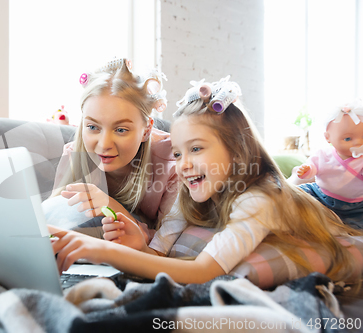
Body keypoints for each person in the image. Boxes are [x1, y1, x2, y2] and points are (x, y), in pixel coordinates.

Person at [48, 77, 362, 285]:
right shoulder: (192, 192)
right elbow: (160, 255)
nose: (182, 166)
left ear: (237, 150)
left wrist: (99, 250)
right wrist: (139, 246)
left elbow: (202, 272)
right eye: (177, 153)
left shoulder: (259, 200)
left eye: (195, 149)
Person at [47, 58, 178, 241]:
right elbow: (56, 216)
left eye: (121, 130)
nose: (104, 144)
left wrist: (110, 205)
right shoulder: (74, 153)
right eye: (93, 127)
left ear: (146, 130)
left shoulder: (174, 164)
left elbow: (167, 247)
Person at [293, 99, 363, 229]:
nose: (358, 143)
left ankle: (340, 227)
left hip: (356, 206)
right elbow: (313, 168)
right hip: (321, 195)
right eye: (348, 139)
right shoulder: (323, 154)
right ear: (328, 137)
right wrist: (307, 170)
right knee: (297, 194)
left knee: (356, 226)